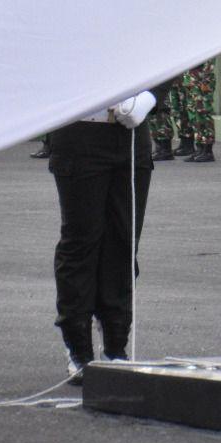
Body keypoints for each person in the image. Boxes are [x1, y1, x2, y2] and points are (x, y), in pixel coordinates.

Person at [44, 82, 169, 383]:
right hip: (79, 128)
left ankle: (116, 345)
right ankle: (78, 348)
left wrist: (151, 97)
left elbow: (172, 60)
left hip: (130, 133)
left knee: (123, 244)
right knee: (82, 242)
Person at [178, 60, 217, 163]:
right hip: (191, 80)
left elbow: (209, 61)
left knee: (203, 113)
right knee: (194, 115)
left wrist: (206, 80)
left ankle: (207, 150)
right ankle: (200, 148)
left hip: (202, 79)